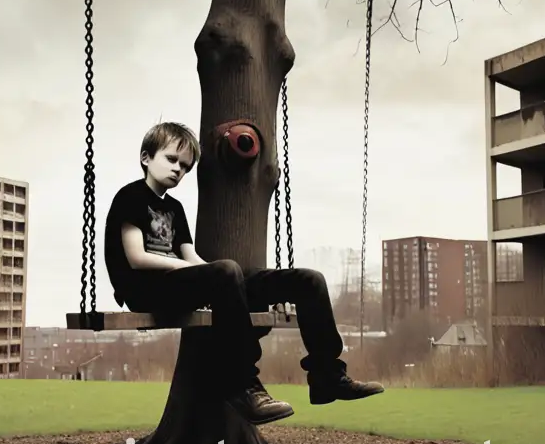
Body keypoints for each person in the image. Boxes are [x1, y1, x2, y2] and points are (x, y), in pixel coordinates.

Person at [103, 120, 384, 425]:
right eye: (171, 160)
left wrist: (219, 276)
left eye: (184, 166)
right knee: (226, 271)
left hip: (181, 285)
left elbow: (190, 256)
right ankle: (242, 384)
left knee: (308, 280)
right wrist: (215, 274)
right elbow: (136, 257)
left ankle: (327, 374)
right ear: (146, 157)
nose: (178, 170)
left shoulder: (175, 209)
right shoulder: (130, 197)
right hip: (148, 292)